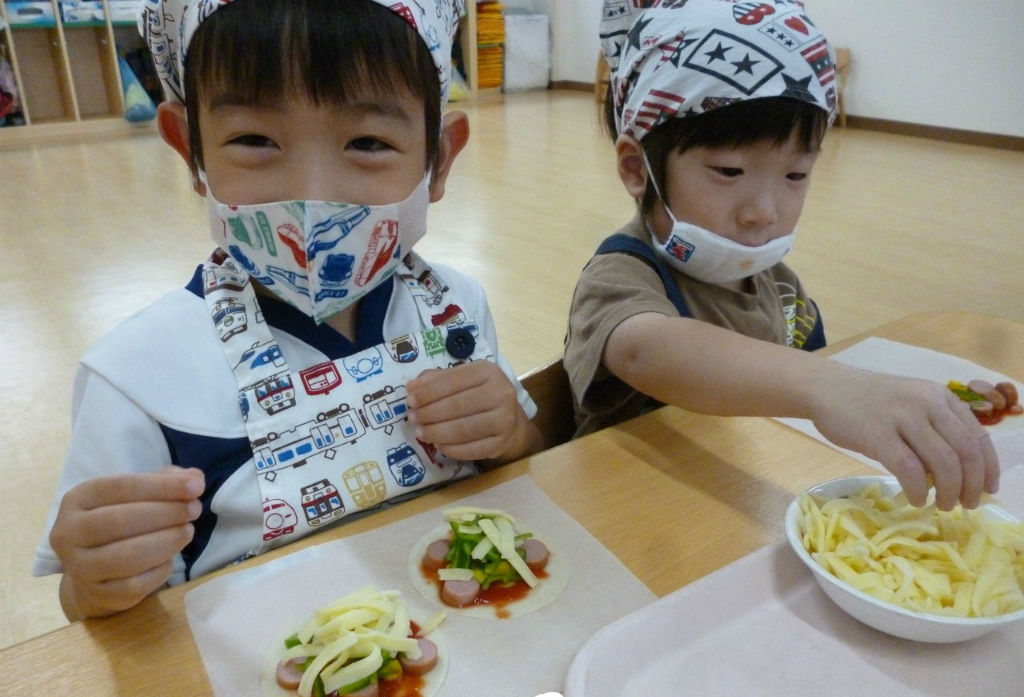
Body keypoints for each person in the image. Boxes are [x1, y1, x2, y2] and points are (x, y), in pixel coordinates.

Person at [34, 0, 542, 620]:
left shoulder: (454, 307)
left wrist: (512, 434)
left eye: (367, 142)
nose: (312, 197)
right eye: (255, 139)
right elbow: (92, 609)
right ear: (190, 148)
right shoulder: (135, 379)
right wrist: (94, 582)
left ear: (439, 160)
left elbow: (520, 463)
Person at [565, 0, 998, 511]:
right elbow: (645, 349)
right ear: (637, 169)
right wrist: (829, 387)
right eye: (729, 172)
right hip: (631, 515)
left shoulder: (779, 283)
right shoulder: (621, 275)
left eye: (795, 175)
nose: (763, 213)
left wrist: (924, 407)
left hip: (744, 504)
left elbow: (829, 385)